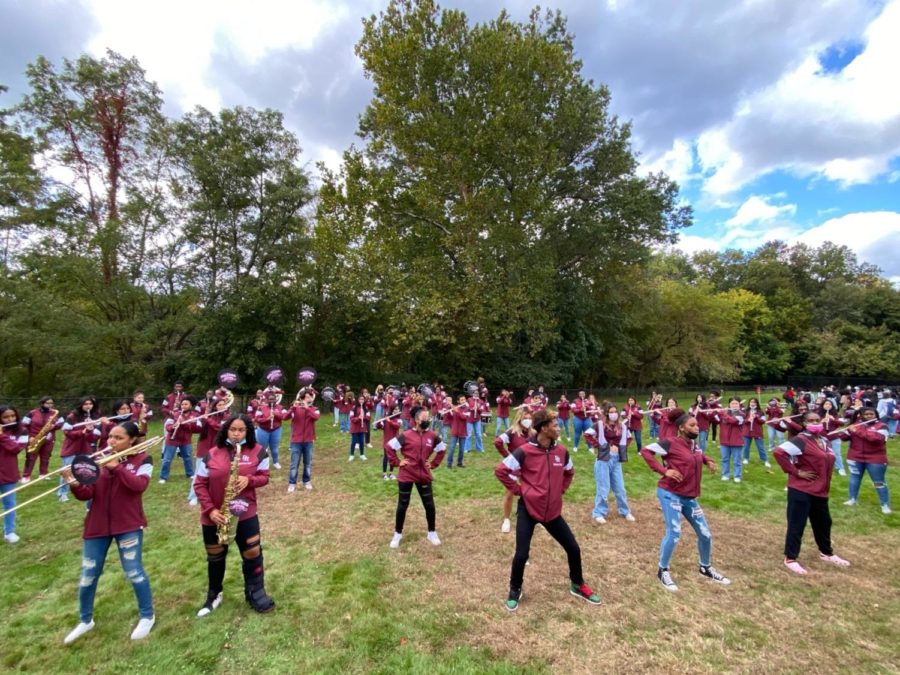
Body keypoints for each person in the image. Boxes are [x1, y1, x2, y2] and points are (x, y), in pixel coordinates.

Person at [495, 409, 601, 611]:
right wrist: (519, 490)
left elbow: (569, 472)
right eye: (555, 425)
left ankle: (577, 584)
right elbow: (501, 470)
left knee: (573, 548)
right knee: (522, 553)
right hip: (528, 508)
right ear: (544, 428)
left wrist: (560, 490)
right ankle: (515, 589)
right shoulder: (525, 451)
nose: (559, 428)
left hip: (552, 511)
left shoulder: (561, 451)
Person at [61, 421, 155, 643]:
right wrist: (74, 484)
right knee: (88, 576)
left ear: (132, 439)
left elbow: (139, 486)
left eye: (118, 438)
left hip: (128, 525)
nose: (111, 441)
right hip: (97, 526)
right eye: (110, 437)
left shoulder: (144, 460)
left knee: (134, 571)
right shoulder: (97, 461)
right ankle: (85, 620)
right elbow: (87, 494)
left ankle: (147, 616)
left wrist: (117, 467)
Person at [639, 408, 731, 592]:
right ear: (681, 428)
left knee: (705, 534)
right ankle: (662, 570)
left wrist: (706, 460)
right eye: (692, 425)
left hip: (689, 496)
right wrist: (665, 471)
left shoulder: (694, 445)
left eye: (697, 425)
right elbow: (645, 451)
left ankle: (705, 567)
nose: (697, 428)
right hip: (670, 493)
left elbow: (694, 455)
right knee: (674, 533)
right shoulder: (670, 443)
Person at [193, 414, 275, 616]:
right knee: (215, 556)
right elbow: (199, 484)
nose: (237, 434)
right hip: (215, 515)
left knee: (252, 552)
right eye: (233, 430)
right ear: (226, 431)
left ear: (248, 432)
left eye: (241, 430)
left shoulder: (259, 452)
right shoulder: (211, 453)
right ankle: (214, 594)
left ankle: (255, 592)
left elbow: (264, 477)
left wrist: (249, 480)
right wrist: (210, 510)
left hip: (245, 513)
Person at [773, 411, 850, 575]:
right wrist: (795, 471)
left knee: (824, 523)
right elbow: (779, 452)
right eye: (811, 420)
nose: (815, 422)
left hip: (820, 490)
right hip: (801, 489)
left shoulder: (823, 440)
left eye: (817, 419)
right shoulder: (801, 440)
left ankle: (827, 553)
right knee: (797, 524)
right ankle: (790, 558)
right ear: (804, 423)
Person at [385, 405, 446, 548]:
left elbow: (442, 449)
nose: (428, 419)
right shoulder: (405, 435)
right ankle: (397, 534)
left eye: (428, 417)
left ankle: (432, 532)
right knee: (402, 505)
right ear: (417, 420)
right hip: (406, 474)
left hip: (423, 474)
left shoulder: (432, 435)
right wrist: (397, 462)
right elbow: (389, 447)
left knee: (429, 505)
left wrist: (433, 464)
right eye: (425, 417)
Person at [836, 407, 891, 514]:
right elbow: (844, 438)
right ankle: (852, 499)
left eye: (872, 414)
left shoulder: (882, 426)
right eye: (866, 414)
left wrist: (857, 430)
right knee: (854, 478)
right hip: (855, 457)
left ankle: (885, 504)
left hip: (876, 459)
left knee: (879, 482)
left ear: (876, 415)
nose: (869, 416)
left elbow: (876, 439)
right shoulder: (856, 425)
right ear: (861, 415)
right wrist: (844, 431)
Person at [585, 404, 635, 524]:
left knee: (620, 488)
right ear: (607, 414)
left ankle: (625, 511)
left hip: (616, 459)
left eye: (615, 411)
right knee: (603, 487)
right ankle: (599, 512)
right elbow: (587, 434)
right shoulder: (599, 424)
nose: (614, 414)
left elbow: (628, 438)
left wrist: (619, 447)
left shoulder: (622, 426)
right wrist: (600, 446)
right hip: (603, 460)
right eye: (611, 412)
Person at [494, 407, 533, 533]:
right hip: (514, 467)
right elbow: (498, 442)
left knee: (530, 493)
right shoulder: (512, 432)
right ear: (519, 418)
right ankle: (506, 519)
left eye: (529, 418)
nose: (527, 420)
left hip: (529, 467)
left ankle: (531, 516)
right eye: (525, 418)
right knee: (510, 493)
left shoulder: (533, 433)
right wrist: (508, 457)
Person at [189, 396, 230, 506]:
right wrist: (196, 421)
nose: (222, 407)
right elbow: (197, 429)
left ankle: (213, 494)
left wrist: (208, 419)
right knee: (198, 473)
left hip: (218, 448)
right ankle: (193, 496)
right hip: (204, 446)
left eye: (223, 405)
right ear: (215, 407)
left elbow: (220, 427)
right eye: (219, 405)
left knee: (215, 473)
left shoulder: (227, 416)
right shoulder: (207, 416)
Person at [59, 397, 101, 502]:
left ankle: (86, 492)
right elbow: (67, 432)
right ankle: (62, 493)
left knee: (86, 470)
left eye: (90, 404)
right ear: (81, 405)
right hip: (71, 448)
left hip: (86, 449)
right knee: (67, 471)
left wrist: (90, 431)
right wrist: (82, 432)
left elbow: (94, 437)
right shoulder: (72, 416)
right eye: (85, 404)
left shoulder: (95, 417)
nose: (88, 406)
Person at [160, 395, 201, 484]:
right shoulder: (175, 414)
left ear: (191, 406)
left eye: (186, 404)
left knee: (188, 458)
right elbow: (167, 426)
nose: (183, 406)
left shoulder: (195, 416)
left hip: (186, 440)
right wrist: (173, 427)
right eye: (182, 404)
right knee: (167, 459)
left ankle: (190, 474)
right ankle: (163, 477)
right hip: (172, 439)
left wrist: (188, 424)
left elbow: (198, 429)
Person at [21, 395, 63, 482]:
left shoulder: (55, 413)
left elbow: (62, 423)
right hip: (34, 437)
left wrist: (54, 426)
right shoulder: (32, 413)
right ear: (42, 403)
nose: (50, 405)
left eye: (51, 403)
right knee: (30, 457)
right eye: (47, 403)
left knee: (46, 457)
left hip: (49, 438)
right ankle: (26, 476)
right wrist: (30, 437)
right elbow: (24, 424)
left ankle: (43, 474)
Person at [1, 405, 27, 543]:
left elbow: (16, 449)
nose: (10, 419)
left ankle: (9, 532)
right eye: (5, 417)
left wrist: (2, 436)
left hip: (8, 473)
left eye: (12, 416)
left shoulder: (22, 431)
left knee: (9, 504)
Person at [287, 388, 320, 492]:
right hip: (296, 440)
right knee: (294, 463)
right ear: (301, 398)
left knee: (307, 463)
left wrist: (307, 408)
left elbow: (316, 417)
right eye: (306, 397)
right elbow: (284, 417)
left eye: (309, 397)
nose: (308, 398)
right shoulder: (296, 408)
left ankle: (307, 481)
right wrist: (292, 408)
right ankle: (292, 483)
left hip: (308, 440)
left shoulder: (314, 408)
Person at [254, 390, 288, 470]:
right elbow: (257, 419)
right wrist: (267, 419)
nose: (272, 401)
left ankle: (275, 462)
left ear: (276, 400)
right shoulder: (261, 408)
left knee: (275, 448)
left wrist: (276, 414)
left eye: (273, 399)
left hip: (276, 429)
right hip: (263, 430)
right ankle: (260, 463)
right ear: (267, 400)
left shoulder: (280, 407)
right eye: (270, 399)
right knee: (262, 448)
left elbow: (285, 417)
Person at [717, 398, 745, 483]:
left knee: (737, 460)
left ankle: (737, 476)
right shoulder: (725, 413)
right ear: (729, 405)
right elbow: (715, 420)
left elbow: (732, 421)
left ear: (739, 405)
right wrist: (714, 413)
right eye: (732, 403)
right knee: (724, 459)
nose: (734, 405)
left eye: (736, 403)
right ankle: (725, 475)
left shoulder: (742, 414)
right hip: (724, 441)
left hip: (736, 441)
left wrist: (721, 413)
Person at [741, 398, 770, 468]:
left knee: (761, 447)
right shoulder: (745, 411)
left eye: (754, 402)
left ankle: (765, 460)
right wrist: (748, 419)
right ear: (749, 403)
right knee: (746, 446)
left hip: (757, 432)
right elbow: (742, 421)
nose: (752, 403)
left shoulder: (760, 412)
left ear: (757, 403)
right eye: (751, 402)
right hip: (747, 432)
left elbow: (763, 421)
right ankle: (746, 458)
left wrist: (756, 417)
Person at [819, 398, 846, 476]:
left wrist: (833, 419)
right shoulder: (817, 414)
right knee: (822, 454)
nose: (828, 406)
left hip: (834, 436)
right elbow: (814, 425)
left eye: (830, 404)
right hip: (822, 437)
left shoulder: (835, 414)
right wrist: (822, 421)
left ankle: (840, 468)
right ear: (823, 405)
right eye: (826, 404)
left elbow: (841, 424)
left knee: (836, 453)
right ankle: (824, 468)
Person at [377, 403, 403, 481]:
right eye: (395, 409)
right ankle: (384, 474)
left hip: (394, 442)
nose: (397, 411)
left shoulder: (399, 420)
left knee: (392, 458)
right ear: (392, 410)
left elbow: (397, 426)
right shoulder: (386, 419)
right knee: (386, 457)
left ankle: (391, 473)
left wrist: (389, 421)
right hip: (387, 441)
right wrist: (379, 422)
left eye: (398, 409)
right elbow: (380, 427)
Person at [446, 395, 469, 468]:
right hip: (455, 431)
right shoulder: (455, 408)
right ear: (458, 401)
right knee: (452, 448)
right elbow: (449, 417)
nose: (463, 401)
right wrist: (449, 410)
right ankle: (449, 464)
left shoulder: (467, 409)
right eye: (461, 400)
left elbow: (464, 418)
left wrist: (457, 411)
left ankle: (459, 463)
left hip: (463, 431)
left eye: (464, 399)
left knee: (461, 449)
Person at [347, 392, 370, 461]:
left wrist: (364, 417)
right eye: (360, 399)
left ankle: (362, 454)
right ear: (358, 400)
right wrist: (358, 418)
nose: (361, 401)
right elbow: (351, 418)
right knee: (354, 442)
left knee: (361, 442)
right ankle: (351, 455)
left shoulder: (366, 408)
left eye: (362, 399)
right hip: (355, 427)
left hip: (362, 428)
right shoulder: (354, 408)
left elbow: (368, 417)